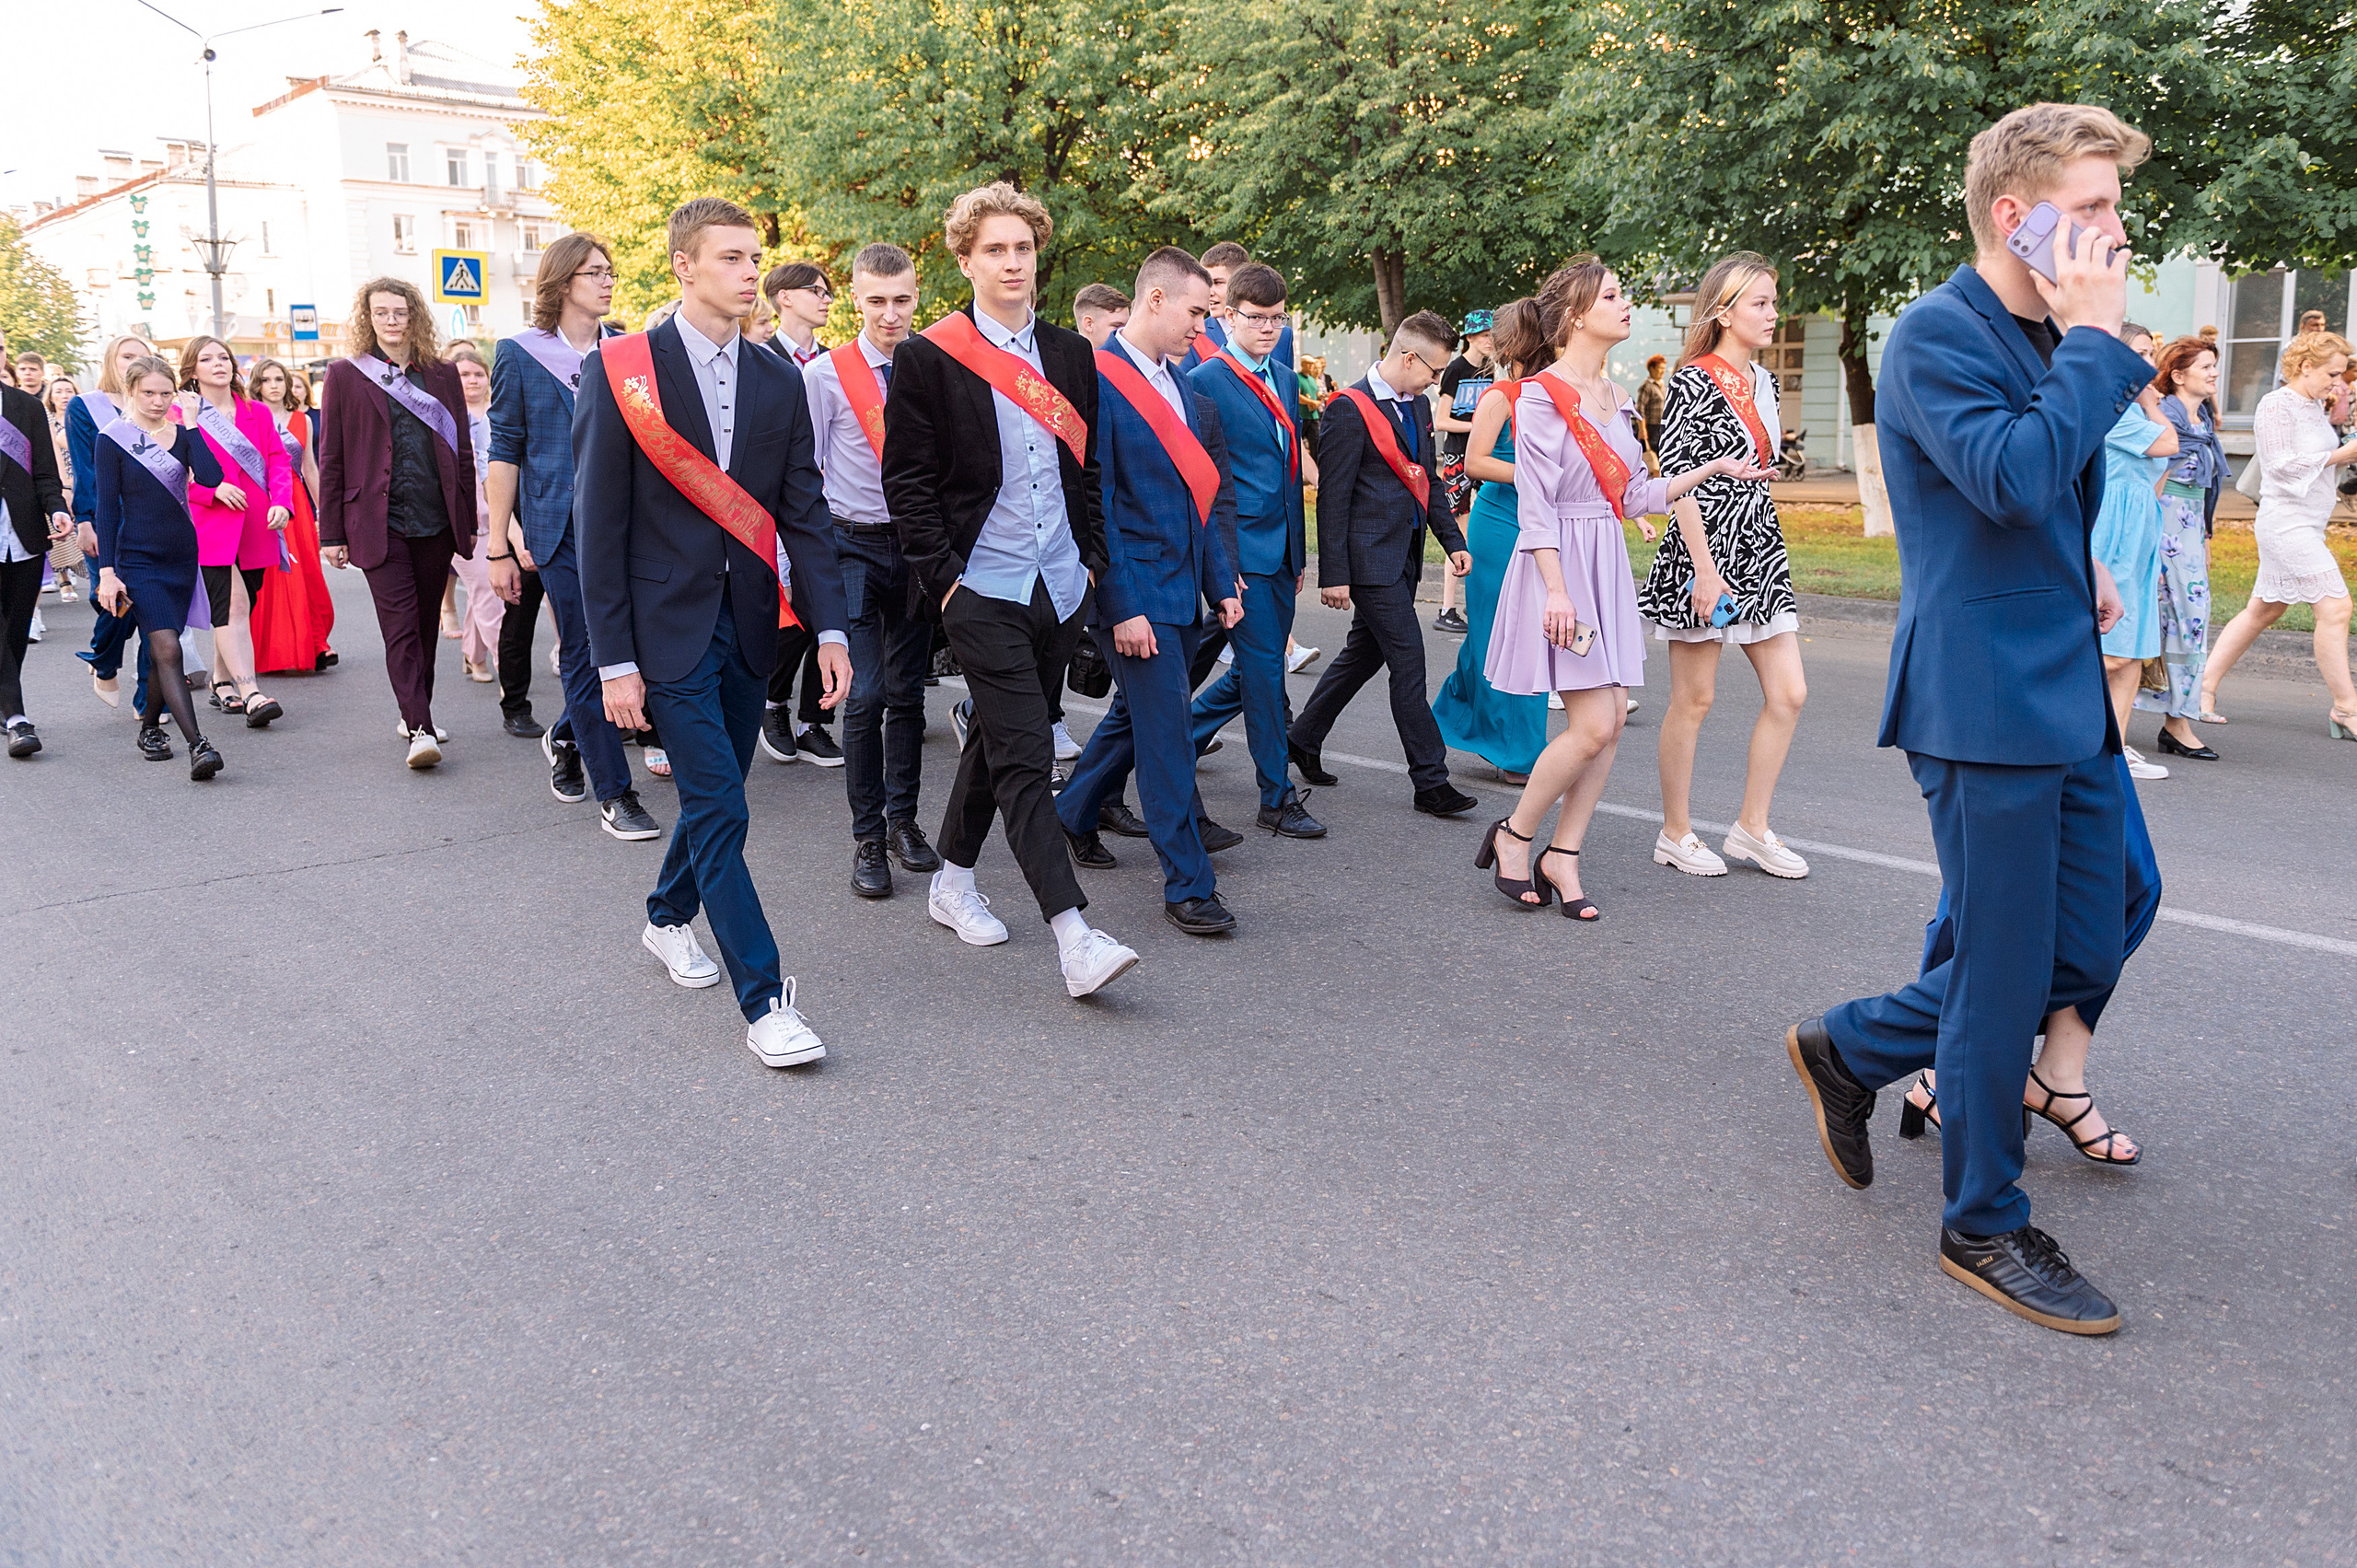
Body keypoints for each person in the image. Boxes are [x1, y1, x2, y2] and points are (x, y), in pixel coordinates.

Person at [1784, 102, 2159, 1336]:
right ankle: (1982, 1219)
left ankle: (1852, 1043)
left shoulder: (2043, 326)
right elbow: (2003, 471)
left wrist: (2080, 562)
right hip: (1986, 697)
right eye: (2095, 207)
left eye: (2113, 206)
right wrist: (2101, 340)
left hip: (2060, 667)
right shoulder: (1938, 334)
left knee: (2113, 910)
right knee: (2000, 972)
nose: (2116, 229)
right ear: (2020, 213)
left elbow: (2029, 492)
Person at [575, 195, 853, 1066]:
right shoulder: (623, 368)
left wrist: (833, 628)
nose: (750, 274)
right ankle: (766, 999)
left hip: (751, 625)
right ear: (684, 267)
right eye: (731, 258)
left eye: (754, 257)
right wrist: (614, 661)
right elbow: (599, 525)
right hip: (663, 629)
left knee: (717, 795)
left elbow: (803, 510)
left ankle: (665, 918)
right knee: (723, 806)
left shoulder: (779, 376)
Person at [881, 180, 1141, 997]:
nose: (1013, 262)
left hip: (1060, 585)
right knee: (1028, 754)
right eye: (994, 249)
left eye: (1023, 247)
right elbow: (908, 484)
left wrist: (1092, 561)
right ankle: (1075, 935)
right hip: (982, 589)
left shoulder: (1071, 354)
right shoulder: (929, 355)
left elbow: (1090, 468)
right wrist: (948, 583)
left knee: (999, 741)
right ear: (964, 260)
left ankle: (952, 883)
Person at [1479, 256, 1759, 919]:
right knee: (1594, 722)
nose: (1626, 303)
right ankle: (1516, 836)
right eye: (1612, 295)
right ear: (1576, 315)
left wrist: (1708, 469)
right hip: (1563, 565)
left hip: (1603, 558)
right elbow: (1538, 503)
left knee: (1606, 730)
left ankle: (1564, 854)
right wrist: (1554, 588)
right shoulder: (1545, 395)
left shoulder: (1616, 394)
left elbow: (1633, 495)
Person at [1052, 247, 1246, 934]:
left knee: (1137, 720)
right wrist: (1122, 606)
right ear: (1155, 300)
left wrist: (1220, 583)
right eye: (1197, 311)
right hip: (1134, 595)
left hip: (1181, 591)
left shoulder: (1184, 388)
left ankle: (1070, 813)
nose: (1204, 326)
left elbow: (1199, 502)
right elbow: (1094, 506)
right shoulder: (1097, 381)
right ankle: (1188, 886)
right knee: (1167, 738)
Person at [1636, 253, 1812, 878]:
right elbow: (1679, 481)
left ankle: (1752, 827)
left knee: (1790, 692)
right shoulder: (1690, 380)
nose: (1772, 312)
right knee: (1695, 698)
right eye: (1760, 303)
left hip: (1759, 542)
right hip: (1702, 545)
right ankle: (1675, 832)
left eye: (1772, 300)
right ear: (1724, 311)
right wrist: (1705, 570)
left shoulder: (1762, 380)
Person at [488, 231, 659, 839]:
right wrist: (498, 544)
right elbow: (505, 450)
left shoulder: (631, 348)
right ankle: (616, 793)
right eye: (594, 272)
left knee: (640, 648)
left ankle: (566, 736)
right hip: (559, 529)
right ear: (562, 282)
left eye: (610, 271)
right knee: (588, 654)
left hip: (631, 526)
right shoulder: (518, 352)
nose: (608, 280)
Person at [1286, 311, 1479, 819]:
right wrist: (1334, 574)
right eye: (1434, 371)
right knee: (1408, 663)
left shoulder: (1414, 406)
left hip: (1405, 555)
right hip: (1368, 561)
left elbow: (1428, 481)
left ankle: (1302, 738)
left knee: (1362, 656)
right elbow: (1333, 496)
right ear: (1408, 356)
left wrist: (1451, 540)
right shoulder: (1348, 408)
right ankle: (1430, 782)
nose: (1437, 381)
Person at [802, 240, 941, 896]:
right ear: (855, 300)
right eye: (877, 301)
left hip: (915, 549)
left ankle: (904, 821)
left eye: (902, 300)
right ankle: (866, 835)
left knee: (909, 692)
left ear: (918, 296)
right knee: (865, 694)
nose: (891, 314)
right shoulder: (824, 375)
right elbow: (807, 476)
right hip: (850, 545)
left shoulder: (934, 367)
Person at [1183, 261, 1324, 839]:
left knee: (1253, 672)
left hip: (1282, 549)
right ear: (1227, 314)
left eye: (1276, 318)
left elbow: (1289, 468)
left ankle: (1161, 741)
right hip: (1239, 553)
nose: (1267, 328)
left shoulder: (1287, 378)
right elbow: (1202, 482)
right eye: (1255, 318)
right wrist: (1223, 568)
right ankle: (1276, 796)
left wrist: (1300, 552)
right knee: (1265, 675)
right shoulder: (1204, 382)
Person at [318, 274, 481, 768]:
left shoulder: (443, 374)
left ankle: (416, 710)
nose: (391, 320)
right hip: (375, 519)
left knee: (425, 624)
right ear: (367, 319)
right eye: (381, 312)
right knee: (399, 628)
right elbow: (333, 458)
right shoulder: (346, 375)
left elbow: (464, 451)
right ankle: (420, 728)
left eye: (400, 312)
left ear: (415, 316)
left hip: (434, 517)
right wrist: (331, 533)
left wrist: (468, 519)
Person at [2199, 331, 2357, 735]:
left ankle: (2203, 686)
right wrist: (2342, 453)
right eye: (2333, 373)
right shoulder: (2275, 406)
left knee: (2264, 610)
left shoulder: (2314, 407)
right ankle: (2346, 706)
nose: (2339, 382)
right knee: (2336, 608)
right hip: (2285, 523)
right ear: (2305, 367)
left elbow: (2319, 463)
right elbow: (2282, 466)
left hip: (2310, 523)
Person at [90, 354, 227, 777]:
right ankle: (198, 745)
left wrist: (190, 423)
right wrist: (109, 572)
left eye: (165, 393)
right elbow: (108, 510)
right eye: (148, 393)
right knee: (167, 648)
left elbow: (209, 476)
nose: (156, 400)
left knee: (162, 648)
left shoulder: (181, 433)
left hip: (181, 556)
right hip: (138, 559)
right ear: (131, 391)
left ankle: (150, 727)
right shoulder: (112, 438)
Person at [1432, 297, 1550, 781]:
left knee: (1530, 639)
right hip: (1499, 523)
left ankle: (1457, 715)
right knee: (1496, 634)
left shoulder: (1560, 391)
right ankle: (1515, 751)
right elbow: (1476, 462)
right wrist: (1537, 474)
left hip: (1544, 523)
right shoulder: (1500, 394)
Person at [179, 335, 294, 727]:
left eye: (224, 357)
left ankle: (221, 679)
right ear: (192, 370)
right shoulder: (181, 414)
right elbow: (173, 475)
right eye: (207, 359)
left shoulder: (257, 412)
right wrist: (211, 492)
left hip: (258, 522)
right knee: (233, 606)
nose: (218, 364)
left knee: (246, 602)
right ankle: (252, 693)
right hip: (210, 524)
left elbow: (278, 462)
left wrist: (282, 501)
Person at [756, 259, 842, 766]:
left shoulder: (833, 364)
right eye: (816, 290)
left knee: (823, 611)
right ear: (784, 298)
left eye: (829, 291)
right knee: (787, 614)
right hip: (770, 510)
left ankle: (814, 721)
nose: (827, 298)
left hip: (828, 508)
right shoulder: (757, 359)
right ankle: (772, 702)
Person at [2083, 324, 2178, 779]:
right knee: (2113, 649)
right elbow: (2170, 444)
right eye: (2140, 353)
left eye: (2151, 354)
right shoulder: (2114, 411)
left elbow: (2159, 475)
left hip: (2142, 527)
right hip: (2113, 529)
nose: (2149, 363)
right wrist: (2145, 401)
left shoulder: (2138, 414)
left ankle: (2116, 751)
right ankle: (2069, 726)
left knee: (2136, 650)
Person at [2134, 336, 2227, 747]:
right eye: (2206, 366)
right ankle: (2168, 719)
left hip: (2189, 532)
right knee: (2158, 619)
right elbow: (2154, 479)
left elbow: (2206, 486)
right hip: (2163, 527)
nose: (2214, 373)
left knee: (2192, 618)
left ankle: (2177, 717)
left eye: (2213, 365)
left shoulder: (2202, 421)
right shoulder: (2164, 417)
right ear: (2177, 375)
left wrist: (2205, 535)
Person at [65, 334, 159, 710]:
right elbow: (84, 469)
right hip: (106, 517)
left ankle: (150, 700)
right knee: (115, 600)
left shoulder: (157, 404)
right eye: (127, 355)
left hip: (151, 518)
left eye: (144, 356)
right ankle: (103, 658)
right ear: (111, 361)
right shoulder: (85, 407)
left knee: (153, 606)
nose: (135, 361)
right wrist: (85, 521)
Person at [244, 357, 336, 677]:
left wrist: (325, 511)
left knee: (307, 572)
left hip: (296, 502)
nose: (273, 385)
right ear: (257, 385)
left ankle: (315, 643)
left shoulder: (303, 420)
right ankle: (274, 648)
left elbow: (310, 467)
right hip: (262, 501)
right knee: (271, 578)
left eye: (279, 379)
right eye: (267, 380)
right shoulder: (247, 418)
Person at [2, 350, 73, 758]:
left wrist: (57, 508)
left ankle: (3, 704)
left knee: (15, 630)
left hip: (23, 534)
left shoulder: (25, 406)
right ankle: (17, 718)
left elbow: (44, 472)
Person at [1430, 310, 1496, 634]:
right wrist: (1477, 426)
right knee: (1460, 533)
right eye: (1484, 334)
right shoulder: (1456, 369)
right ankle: (1447, 608)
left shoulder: (1494, 370)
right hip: (1458, 455)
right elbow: (1441, 419)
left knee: (1484, 532)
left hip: (1486, 455)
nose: (1489, 340)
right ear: (1470, 336)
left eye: (1492, 334)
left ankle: (1476, 603)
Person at [444, 344, 505, 684]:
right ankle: (507, 670)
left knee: (483, 592)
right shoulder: (445, 417)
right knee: (486, 589)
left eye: (478, 373)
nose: (472, 380)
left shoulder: (501, 413)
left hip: (503, 516)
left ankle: (474, 655)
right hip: (465, 521)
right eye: (463, 374)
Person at [41, 377, 82, 600]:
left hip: (81, 478)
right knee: (59, 526)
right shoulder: (46, 422)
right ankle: (63, 578)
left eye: (69, 390)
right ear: (51, 396)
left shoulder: (80, 420)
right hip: (58, 480)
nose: (65, 395)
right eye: (59, 391)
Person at [763, 261, 832, 367]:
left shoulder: (831, 360)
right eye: (816, 291)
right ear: (786, 298)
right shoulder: (760, 359)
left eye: (827, 294)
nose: (828, 300)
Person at [1634, 354, 1669, 467]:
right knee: (1652, 457)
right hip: (1651, 427)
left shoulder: (1662, 386)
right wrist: (1642, 429)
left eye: (1664, 368)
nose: (1663, 371)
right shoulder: (1647, 386)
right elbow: (1640, 409)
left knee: (1662, 455)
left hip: (1662, 426)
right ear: (1652, 369)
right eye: (1660, 368)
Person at [1072, 283, 1130, 351]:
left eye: (1127, 326)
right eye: (1117, 326)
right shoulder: (1064, 360)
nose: (1125, 332)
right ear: (1089, 324)